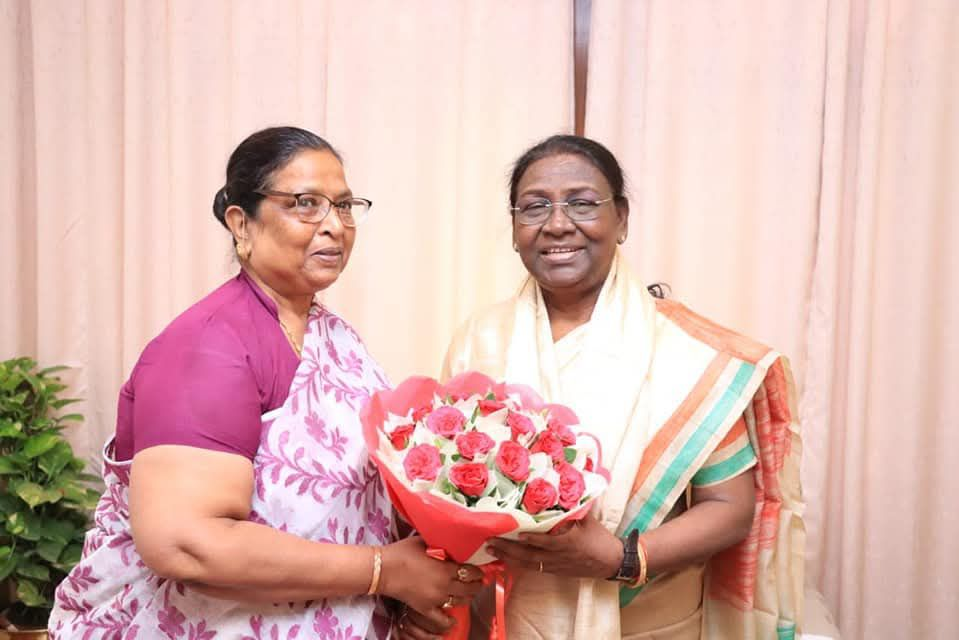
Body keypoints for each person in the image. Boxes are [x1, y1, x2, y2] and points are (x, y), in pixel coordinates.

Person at [49, 126, 481, 639]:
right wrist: (385, 571)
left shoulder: (333, 335)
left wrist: (403, 594)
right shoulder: (208, 346)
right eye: (305, 204)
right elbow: (186, 543)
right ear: (241, 223)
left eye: (343, 206)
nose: (334, 226)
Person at [429, 135, 804, 639]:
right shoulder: (479, 338)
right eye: (535, 207)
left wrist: (623, 558)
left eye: (582, 203)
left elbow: (729, 507)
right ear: (515, 227)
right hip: (505, 618)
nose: (558, 224)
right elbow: (443, 486)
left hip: (651, 621)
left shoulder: (685, 352)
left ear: (621, 219)